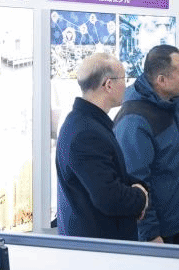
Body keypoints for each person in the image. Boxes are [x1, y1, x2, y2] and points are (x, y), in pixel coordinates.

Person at [55, 51, 149, 240]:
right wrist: (140, 197)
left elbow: (108, 175)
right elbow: (109, 198)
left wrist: (140, 187)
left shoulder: (84, 122)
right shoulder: (86, 134)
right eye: (123, 79)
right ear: (108, 85)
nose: (126, 85)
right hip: (97, 250)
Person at [114, 45, 179, 244]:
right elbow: (135, 181)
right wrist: (150, 234)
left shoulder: (170, 105)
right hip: (159, 235)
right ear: (161, 80)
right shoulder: (135, 121)